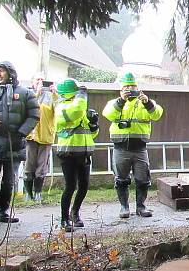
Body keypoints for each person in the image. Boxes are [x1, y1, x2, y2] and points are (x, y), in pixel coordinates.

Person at [0, 61, 39, 227]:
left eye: (2, 71)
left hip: (15, 144)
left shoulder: (26, 94)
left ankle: (3, 211)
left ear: (10, 72)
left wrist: (21, 132)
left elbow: (34, 115)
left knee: (9, 181)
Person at [102, 73, 163, 219]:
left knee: (143, 179)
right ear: (121, 90)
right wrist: (121, 101)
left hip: (140, 148)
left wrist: (147, 102)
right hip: (120, 147)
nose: (130, 89)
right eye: (126, 87)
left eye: (133, 86)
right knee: (121, 179)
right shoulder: (114, 103)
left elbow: (157, 114)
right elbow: (108, 114)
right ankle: (124, 207)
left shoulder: (146, 102)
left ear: (138, 87)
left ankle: (141, 207)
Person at [54, 78, 98, 231]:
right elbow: (77, 111)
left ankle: (75, 212)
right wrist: (82, 95)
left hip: (84, 153)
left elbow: (91, 134)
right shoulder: (62, 107)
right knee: (70, 186)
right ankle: (64, 219)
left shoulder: (79, 108)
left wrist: (93, 124)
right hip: (68, 153)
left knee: (84, 186)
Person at [24, 76, 57, 202]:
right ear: (32, 82)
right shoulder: (28, 94)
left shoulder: (51, 96)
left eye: (42, 80)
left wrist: (55, 94)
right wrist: (37, 93)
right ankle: (28, 193)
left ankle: (38, 192)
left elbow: (58, 110)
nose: (40, 82)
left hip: (46, 135)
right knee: (29, 164)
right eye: (37, 80)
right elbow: (28, 108)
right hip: (31, 135)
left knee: (42, 166)